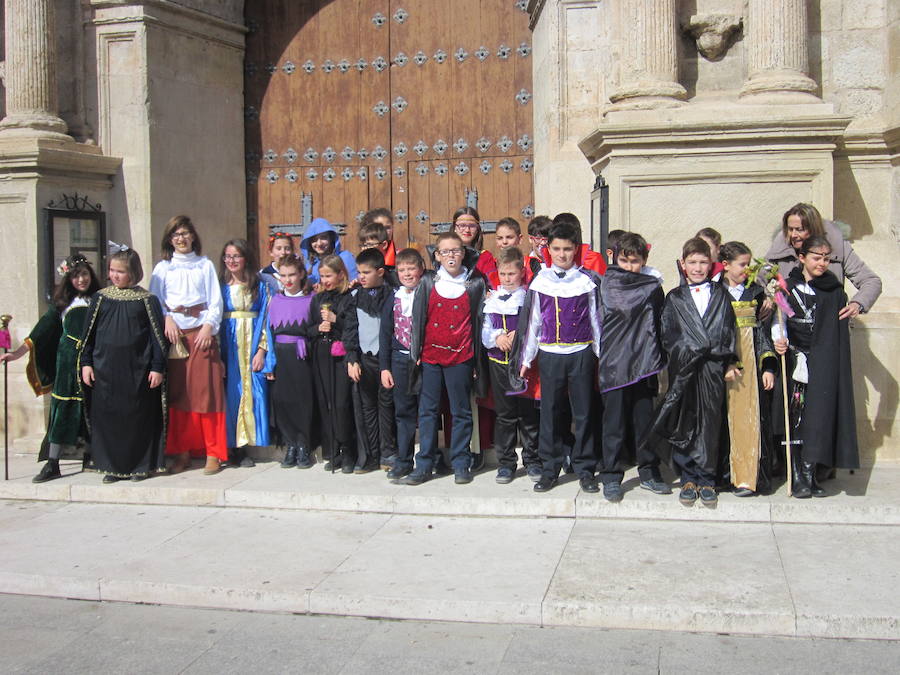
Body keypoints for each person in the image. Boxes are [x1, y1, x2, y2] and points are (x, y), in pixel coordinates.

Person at [513, 221, 602, 494]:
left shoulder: (587, 281)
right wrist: (526, 359)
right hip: (550, 355)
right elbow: (534, 323)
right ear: (548, 250)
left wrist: (601, 355)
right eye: (557, 249)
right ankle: (550, 469)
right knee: (550, 413)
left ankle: (585, 468)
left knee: (584, 413)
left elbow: (596, 319)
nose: (562, 254)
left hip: (581, 353)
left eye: (567, 249)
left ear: (575, 249)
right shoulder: (541, 282)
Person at [650, 237, 738, 507]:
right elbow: (668, 334)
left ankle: (707, 478)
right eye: (692, 262)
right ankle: (687, 476)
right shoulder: (675, 297)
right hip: (684, 369)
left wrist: (729, 361)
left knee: (710, 421)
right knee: (684, 421)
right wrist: (690, 349)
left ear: (711, 264)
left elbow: (727, 329)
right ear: (683, 264)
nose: (698, 268)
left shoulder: (720, 294)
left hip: (712, 367)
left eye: (702, 262)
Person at [1, 255, 101, 483]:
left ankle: (90, 455)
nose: (81, 279)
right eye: (76, 276)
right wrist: (16, 354)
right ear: (68, 279)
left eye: (85, 274)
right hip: (67, 364)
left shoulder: (98, 300)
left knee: (92, 407)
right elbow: (40, 332)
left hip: (93, 362)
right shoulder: (62, 304)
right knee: (62, 411)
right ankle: (53, 462)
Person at [773, 236, 859, 497]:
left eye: (826, 259)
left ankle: (810, 474)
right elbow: (780, 318)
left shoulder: (834, 291)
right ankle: (797, 475)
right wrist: (779, 338)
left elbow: (835, 329)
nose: (822, 263)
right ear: (802, 258)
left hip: (822, 361)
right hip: (795, 360)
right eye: (816, 258)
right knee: (796, 416)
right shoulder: (787, 288)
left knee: (818, 418)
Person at [402, 232, 488, 485]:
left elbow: (479, 322)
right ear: (437, 255)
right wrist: (416, 353)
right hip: (430, 356)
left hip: (461, 356)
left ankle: (461, 462)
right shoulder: (428, 282)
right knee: (427, 412)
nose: (451, 256)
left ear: (463, 253)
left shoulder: (475, 283)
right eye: (445, 251)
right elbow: (418, 319)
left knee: (460, 411)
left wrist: (475, 360)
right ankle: (424, 464)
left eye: (456, 250)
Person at [80, 248, 167, 482]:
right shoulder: (100, 298)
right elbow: (88, 335)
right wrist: (86, 363)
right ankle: (112, 467)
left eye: (121, 271)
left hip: (137, 371)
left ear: (133, 272)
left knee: (137, 418)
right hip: (105, 370)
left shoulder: (147, 300)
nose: (115, 275)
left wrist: (157, 367)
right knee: (109, 419)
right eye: (112, 270)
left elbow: (157, 337)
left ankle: (139, 466)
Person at [150, 215, 227, 475]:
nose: (181, 238)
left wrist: (208, 326)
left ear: (193, 236)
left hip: (201, 334)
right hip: (175, 338)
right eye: (176, 234)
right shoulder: (163, 269)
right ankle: (182, 452)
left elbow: (215, 301)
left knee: (207, 395)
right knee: (180, 395)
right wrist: (167, 318)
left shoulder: (204, 265)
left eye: (184, 233)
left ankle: (213, 452)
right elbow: (155, 301)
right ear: (169, 239)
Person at [597, 233, 669, 502]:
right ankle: (611, 475)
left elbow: (660, 321)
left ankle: (649, 472)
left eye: (635, 261)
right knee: (613, 424)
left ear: (644, 260)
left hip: (644, 363)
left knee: (644, 422)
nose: (629, 267)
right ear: (615, 258)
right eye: (624, 261)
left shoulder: (653, 286)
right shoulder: (607, 283)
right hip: (615, 364)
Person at [719, 241, 778, 496]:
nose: (747, 269)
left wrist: (768, 366)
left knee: (751, 419)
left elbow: (762, 332)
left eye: (748, 264)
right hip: (723, 362)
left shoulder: (755, 293)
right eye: (742, 264)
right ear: (725, 265)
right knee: (723, 420)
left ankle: (749, 477)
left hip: (750, 365)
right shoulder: (715, 292)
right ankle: (724, 475)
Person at [481, 248, 541, 484]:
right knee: (505, 415)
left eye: (511, 274)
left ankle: (532, 460)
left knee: (527, 414)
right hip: (498, 363)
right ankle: (506, 463)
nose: (507, 279)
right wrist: (497, 338)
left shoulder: (528, 298)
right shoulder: (492, 300)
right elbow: (485, 328)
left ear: (521, 273)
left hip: (524, 366)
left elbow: (538, 326)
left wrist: (520, 334)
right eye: (503, 274)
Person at [765, 202, 882, 318]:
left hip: (828, 322)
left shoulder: (838, 247)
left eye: (800, 229)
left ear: (813, 229)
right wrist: (767, 300)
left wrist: (857, 304)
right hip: (790, 324)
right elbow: (759, 281)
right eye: (790, 229)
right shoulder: (779, 249)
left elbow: (871, 281)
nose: (793, 235)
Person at [219, 239, 275, 468]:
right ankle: (233, 447)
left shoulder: (259, 286)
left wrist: (262, 350)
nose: (231, 260)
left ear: (246, 258)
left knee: (253, 391)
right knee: (231, 393)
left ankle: (249, 442)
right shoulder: (219, 286)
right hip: (228, 344)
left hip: (251, 343)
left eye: (236, 256)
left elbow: (266, 318)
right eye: (228, 256)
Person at [344, 247, 397, 473]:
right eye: (359, 272)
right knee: (367, 408)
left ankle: (388, 453)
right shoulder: (354, 297)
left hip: (386, 361)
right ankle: (370, 454)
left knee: (387, 406)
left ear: (381, 272)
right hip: (364, 360)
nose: (361, 277)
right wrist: (352, 358)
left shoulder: (393, 295)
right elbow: (350, 330)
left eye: (366, 272)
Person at [380, 248, 428, 480]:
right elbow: (385, 333)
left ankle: (427, 459)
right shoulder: (393, 297)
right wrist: (385, 367)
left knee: (427, 411)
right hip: (399, 359)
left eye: (411, 268)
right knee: (403, 411)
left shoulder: (428, 293)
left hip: (424, 360)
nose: (407, 274)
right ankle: (404, 460)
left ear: (421, 269)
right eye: (402, 270)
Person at [303, 254, 355, 472]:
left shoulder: (348, 297)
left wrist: (336, 321)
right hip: (321, 354)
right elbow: (307, 329)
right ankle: (332, 451)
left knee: (342, 403)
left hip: (341, 356)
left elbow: (353, 327)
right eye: (322, 276)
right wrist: (318, 328)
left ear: (340, 274)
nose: (325, 280)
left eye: (329, 276)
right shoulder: (317, 299)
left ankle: (349, 450)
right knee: (326, 403)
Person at [266, 255, 317, 469]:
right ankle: (290, 444)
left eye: (292, 275)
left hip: (301, 355)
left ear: (301, 274)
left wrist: (306, 339)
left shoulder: (312, 299)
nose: (288, 280)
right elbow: (267, 333)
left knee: (302, 400)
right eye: (283, 275)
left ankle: (304, 444)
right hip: (280, 355)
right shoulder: (275, 300)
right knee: (282, 400)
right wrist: (269, 362)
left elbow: (315, 328)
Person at [301, 217, 358, 284]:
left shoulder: (345, 258)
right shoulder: (310, 264)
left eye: (323, 238)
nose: (319, 243)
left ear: (331, 238)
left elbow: (354, 283)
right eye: (314, 240)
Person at [451, 207, 497, 284]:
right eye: (462, 225)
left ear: (477, 229)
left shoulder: (485, 257)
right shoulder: (446, 254)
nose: (467, 230)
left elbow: (494, 285)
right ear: (454, 227)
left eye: (472, 226)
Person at [359, 221, 398, 286]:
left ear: (384, 245)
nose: (365, 249)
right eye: (363, 245)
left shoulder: (395, 269)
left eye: (370, 245)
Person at [526, 215, 551, 280]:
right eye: (538, 238)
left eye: (547, 239)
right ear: (530, 239)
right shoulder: (525, 264)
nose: (543, 243)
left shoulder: (558, 264)